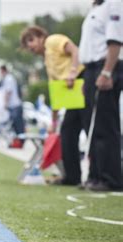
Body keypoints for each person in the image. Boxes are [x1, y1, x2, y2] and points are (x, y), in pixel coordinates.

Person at [20, 25, 87, 186]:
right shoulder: (47, 61)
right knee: (67, 133)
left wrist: (72, 72)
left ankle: (100, 176)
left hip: (82, 83)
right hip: (71, 96)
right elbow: (55, 91)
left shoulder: (53, 40)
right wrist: (54, 121)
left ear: (40, 36)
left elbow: (75, 50)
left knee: (91, 130)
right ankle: (72, 177)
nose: (30, 46)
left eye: (31, 40)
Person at [78, 0, 123, 191]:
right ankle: (96, 175)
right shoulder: (96, 8)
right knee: (92, 126)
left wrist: (106, 72)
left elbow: (115, 41)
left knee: (105, 125)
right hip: (91, 69)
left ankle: (110, 178)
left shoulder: (115, 4)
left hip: (105, 66)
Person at [0, 65, 25, 148]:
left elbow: (8, 92)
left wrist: (5, 104)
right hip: (14, 106)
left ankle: (20, 143)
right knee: (15, 126)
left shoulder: (8, 79)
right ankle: (17, 142)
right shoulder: (8, 79)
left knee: (18, 127)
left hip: (15, 106)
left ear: (3, 71)